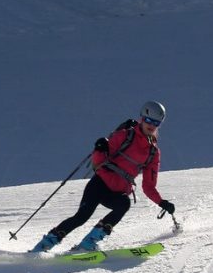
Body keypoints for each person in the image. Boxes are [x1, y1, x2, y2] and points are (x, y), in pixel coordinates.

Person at [30, 101, 176, 253]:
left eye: (156, 122)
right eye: (149, 120)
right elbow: (98, 163)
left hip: (117, 193)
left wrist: (161, 202)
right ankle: (45, 244)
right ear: (142, 118)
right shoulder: (124, 136)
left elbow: (148, 186)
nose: (151, 125)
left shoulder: (153, 153)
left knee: (124, 203)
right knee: (82, 216)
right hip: (100, 184)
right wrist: (99, 148)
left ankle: (88, 243)